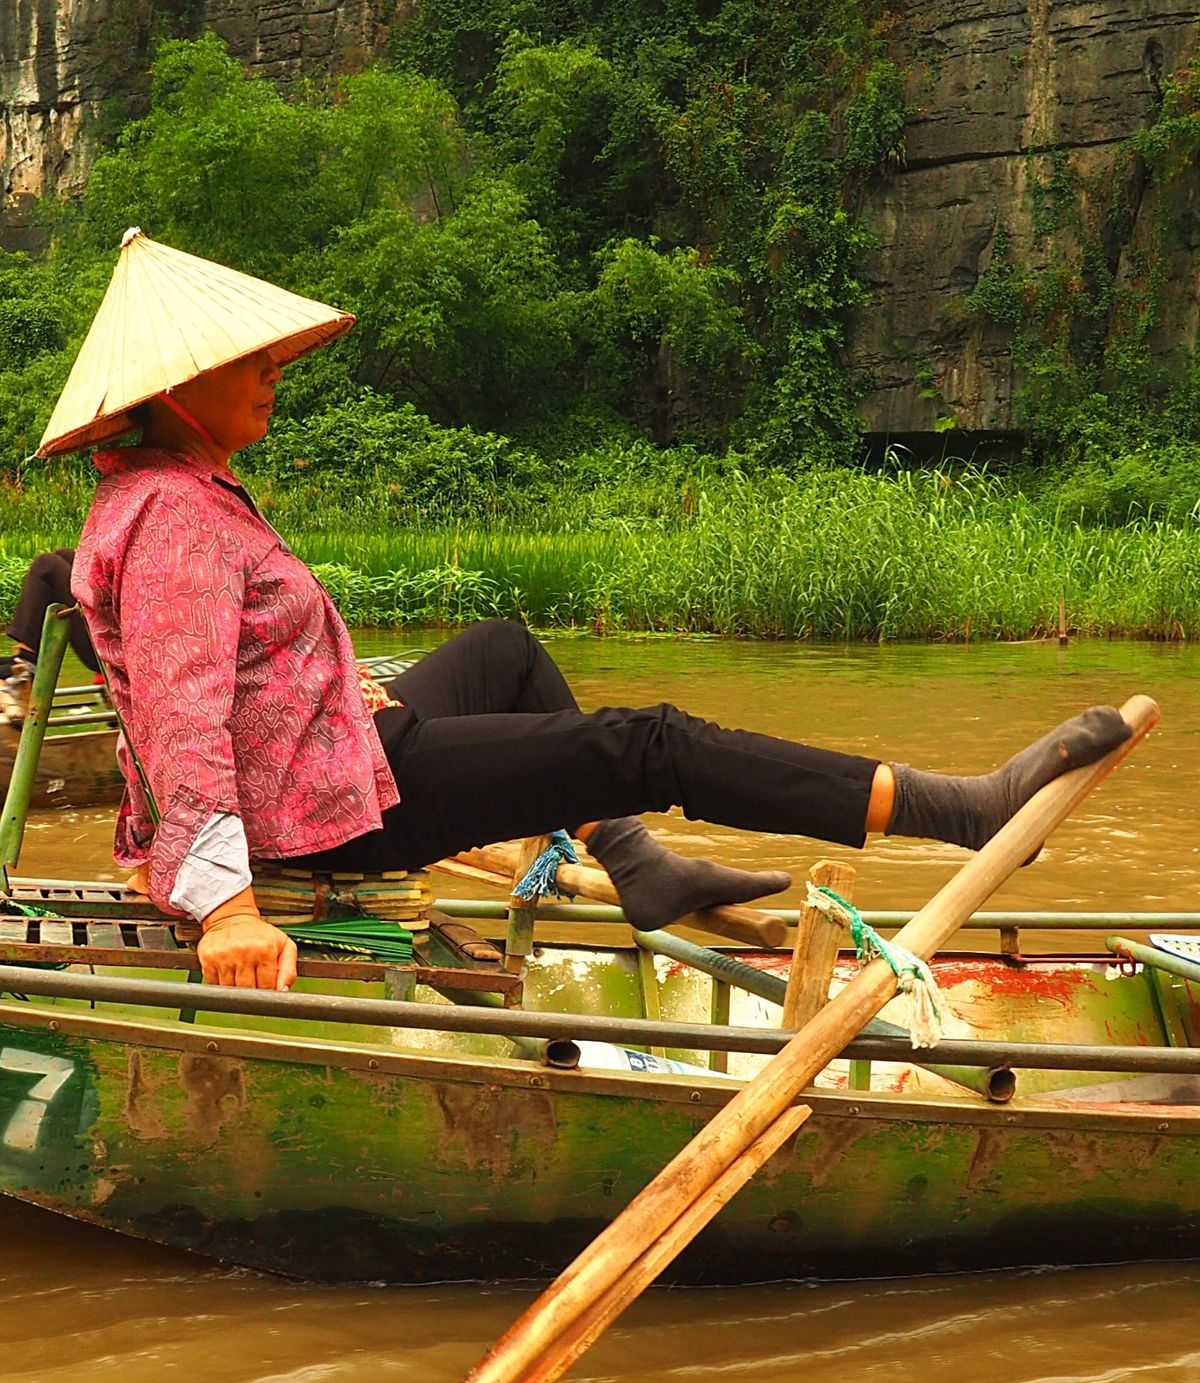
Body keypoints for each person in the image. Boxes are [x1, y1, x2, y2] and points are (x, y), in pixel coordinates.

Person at [37, 231, 1132, 995]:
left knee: (502, 652)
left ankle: (634, 861)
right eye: (249, 361)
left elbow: (230, 677)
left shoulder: (178, 493)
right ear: (176, 393)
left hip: (334, 749)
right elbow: (182, 721)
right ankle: (963, 811)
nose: (274, 372)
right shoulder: (175, 518)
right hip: (334, 809)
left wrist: (339, 686)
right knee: (646, 741)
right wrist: (227, 908)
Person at [0, 549, 102, 724]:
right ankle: (23, 666)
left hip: (121, 648)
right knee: (67, 557)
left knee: (46, 566)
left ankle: (23, 673)